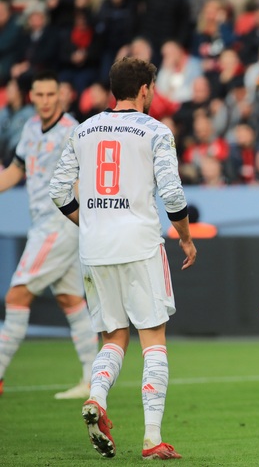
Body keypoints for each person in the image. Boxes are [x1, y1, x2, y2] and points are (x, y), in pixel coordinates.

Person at [49, 57, 197, 460]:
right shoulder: (155, 131)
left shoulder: (83, 130)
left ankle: (97, 398)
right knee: (153, 338)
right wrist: (185, 239)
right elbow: (172, 194)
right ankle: (152, 438)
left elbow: (59, 190)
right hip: (140, 245)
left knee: (113, 336)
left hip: (95, 249)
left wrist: (93, 221)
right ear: (146, 89)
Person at [0, 70, 97, 400]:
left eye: (50, 95)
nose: (44, 101)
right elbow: (16, 170)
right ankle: (91, 380)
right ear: (32, 97)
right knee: (70, 299)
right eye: (39, 95)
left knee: (16, 296)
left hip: (59, 225)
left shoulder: (74, 131)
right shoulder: (29, 129)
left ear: (62, 95)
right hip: (42, 224)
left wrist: (90, 218)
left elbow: (86, 177)